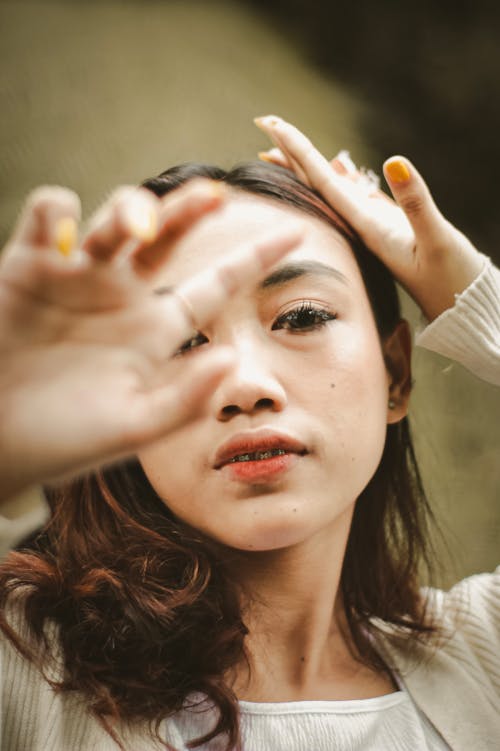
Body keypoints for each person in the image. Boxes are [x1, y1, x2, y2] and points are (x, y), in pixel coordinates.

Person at [0, 116, 498, 751]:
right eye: (180, 340)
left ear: (395, 371)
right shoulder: (27, 662)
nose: (244, 384)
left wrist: (477, 300)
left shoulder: (484, 661)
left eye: (303, 316)